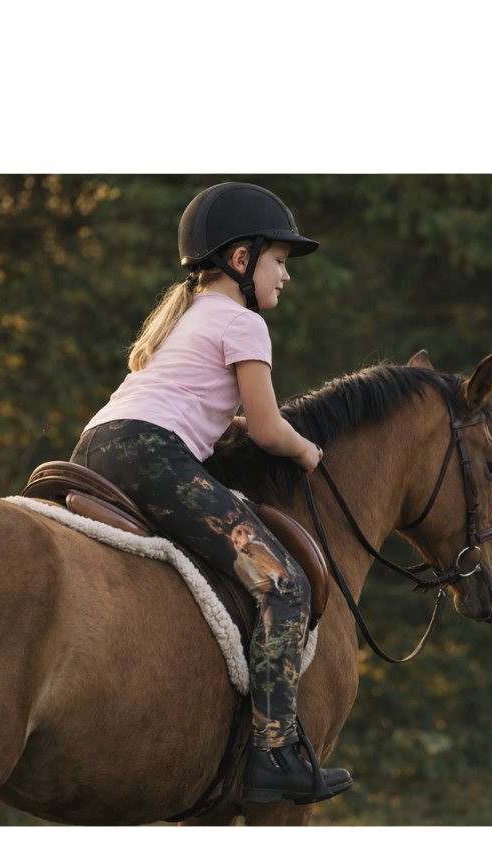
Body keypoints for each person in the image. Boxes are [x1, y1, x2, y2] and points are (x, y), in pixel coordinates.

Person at [69, 181, 352, 805]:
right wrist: (307, 450)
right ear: (242, 260)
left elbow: (197, 405)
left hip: (97, 446)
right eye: (279, 260)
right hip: (150, 455)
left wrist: (236, 426)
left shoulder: (189, 316)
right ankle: (274, 751)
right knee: (283, 584)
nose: (286, 276)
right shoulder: (244, 323)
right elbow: (273, 429)